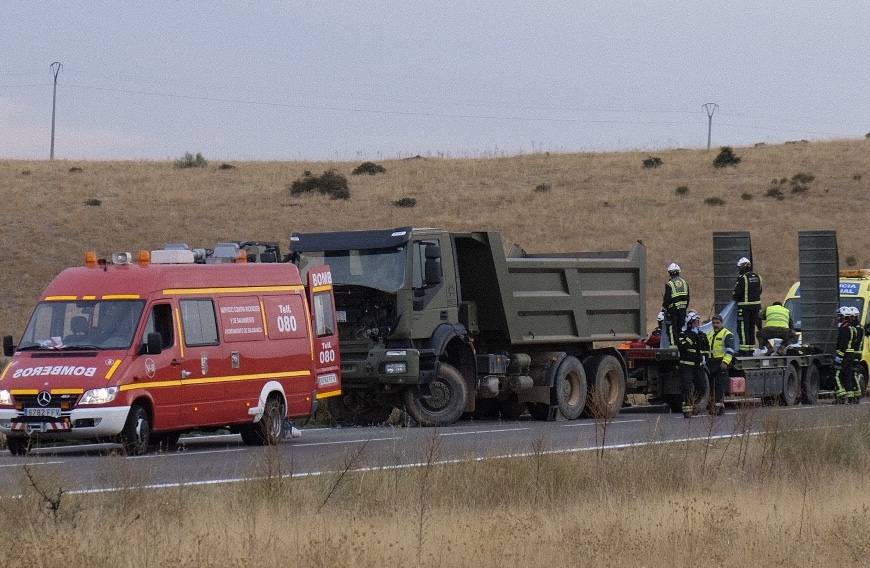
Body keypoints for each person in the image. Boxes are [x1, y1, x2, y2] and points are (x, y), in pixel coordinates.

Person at [677, 311, 709, 418]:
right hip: (686, 366)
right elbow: (683, 346)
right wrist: (692, 337)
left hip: (698, 366)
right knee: (687, 388)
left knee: (702, 387)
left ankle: (695, 404)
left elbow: (706, 347)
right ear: (689, 323)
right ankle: (687, 410)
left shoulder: (701, 335)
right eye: (695, 322)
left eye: (698, 322)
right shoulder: (683, 334)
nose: (697, 325)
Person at [732, 257, 763, 355]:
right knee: (751, 328)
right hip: (756, 307)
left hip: (744, 308)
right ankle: (750, 349)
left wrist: (734, 294)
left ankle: (744, 350)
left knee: (743, 329)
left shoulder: (742, 278)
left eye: (739, 267)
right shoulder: (758, 277)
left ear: (744, 266)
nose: (739, 269)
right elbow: (760, 291)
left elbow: (736, 294)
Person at [706, 314, 735, 415]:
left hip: (721, 363)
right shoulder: (709, 334)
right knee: (711, 386)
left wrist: (725, 362)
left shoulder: (727, 334)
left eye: (717, 323)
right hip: (710, 363)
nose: (715, 325)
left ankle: (719, 408)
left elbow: (730, 350)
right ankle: (713, 406)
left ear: (722, 323)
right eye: (713, 323)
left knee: (719, 386)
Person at [833, 306, 858, 404]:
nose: (838, 318)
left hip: (844, 355)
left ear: (843, 317)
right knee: (848, 375)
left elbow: (843, 345)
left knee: (836, 374)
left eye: (839, 316)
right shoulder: (853, 329)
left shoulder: (844, 329)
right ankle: (851, 396)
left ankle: (841, 396)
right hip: (850, 355)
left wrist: (839, 357)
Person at [662, 263, 689, 348]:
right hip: (683, 310)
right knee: (681, 329)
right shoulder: (685, 283)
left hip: (672, 311)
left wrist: (664, 307)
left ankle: (674, 347)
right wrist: (684, 307)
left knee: (671, 328)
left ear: (669, 273)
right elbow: (688, 298)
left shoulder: (669, 284)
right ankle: (682, 346)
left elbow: (667, 299)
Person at [847, 306, 865, 402]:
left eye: (852, 317)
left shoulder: (857, 328)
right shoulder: (856, 327)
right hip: (854, 353)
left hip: (855, 353)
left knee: (853, 373)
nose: (851, 319)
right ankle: (854, 393)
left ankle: (857, 393)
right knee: (852, 373)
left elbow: (854, 342)